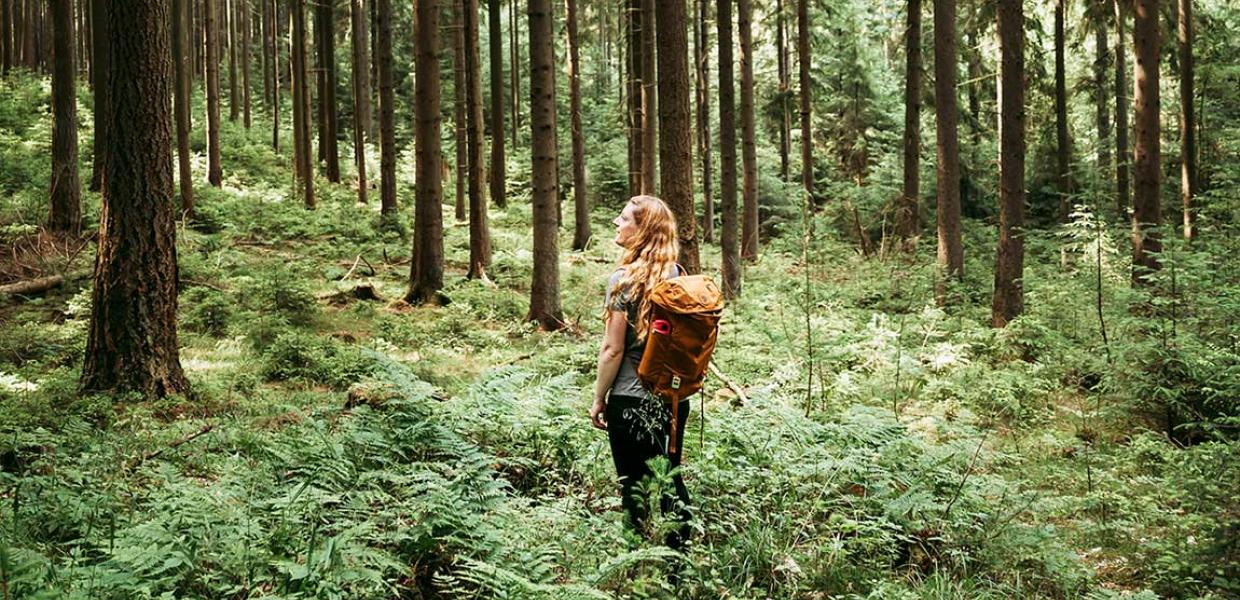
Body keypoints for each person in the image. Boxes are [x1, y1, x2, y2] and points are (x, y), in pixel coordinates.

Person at [589, 195, 692, 550]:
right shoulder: (677, 276)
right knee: (667, 477)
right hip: (672, 398)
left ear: (642, 229)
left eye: (623, 219)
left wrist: (599, 397)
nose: (617, 224)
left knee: (634, 486)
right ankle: (677, 560)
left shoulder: (622, 280)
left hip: (630, 400)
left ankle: (637, 566)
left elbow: (613, 348)